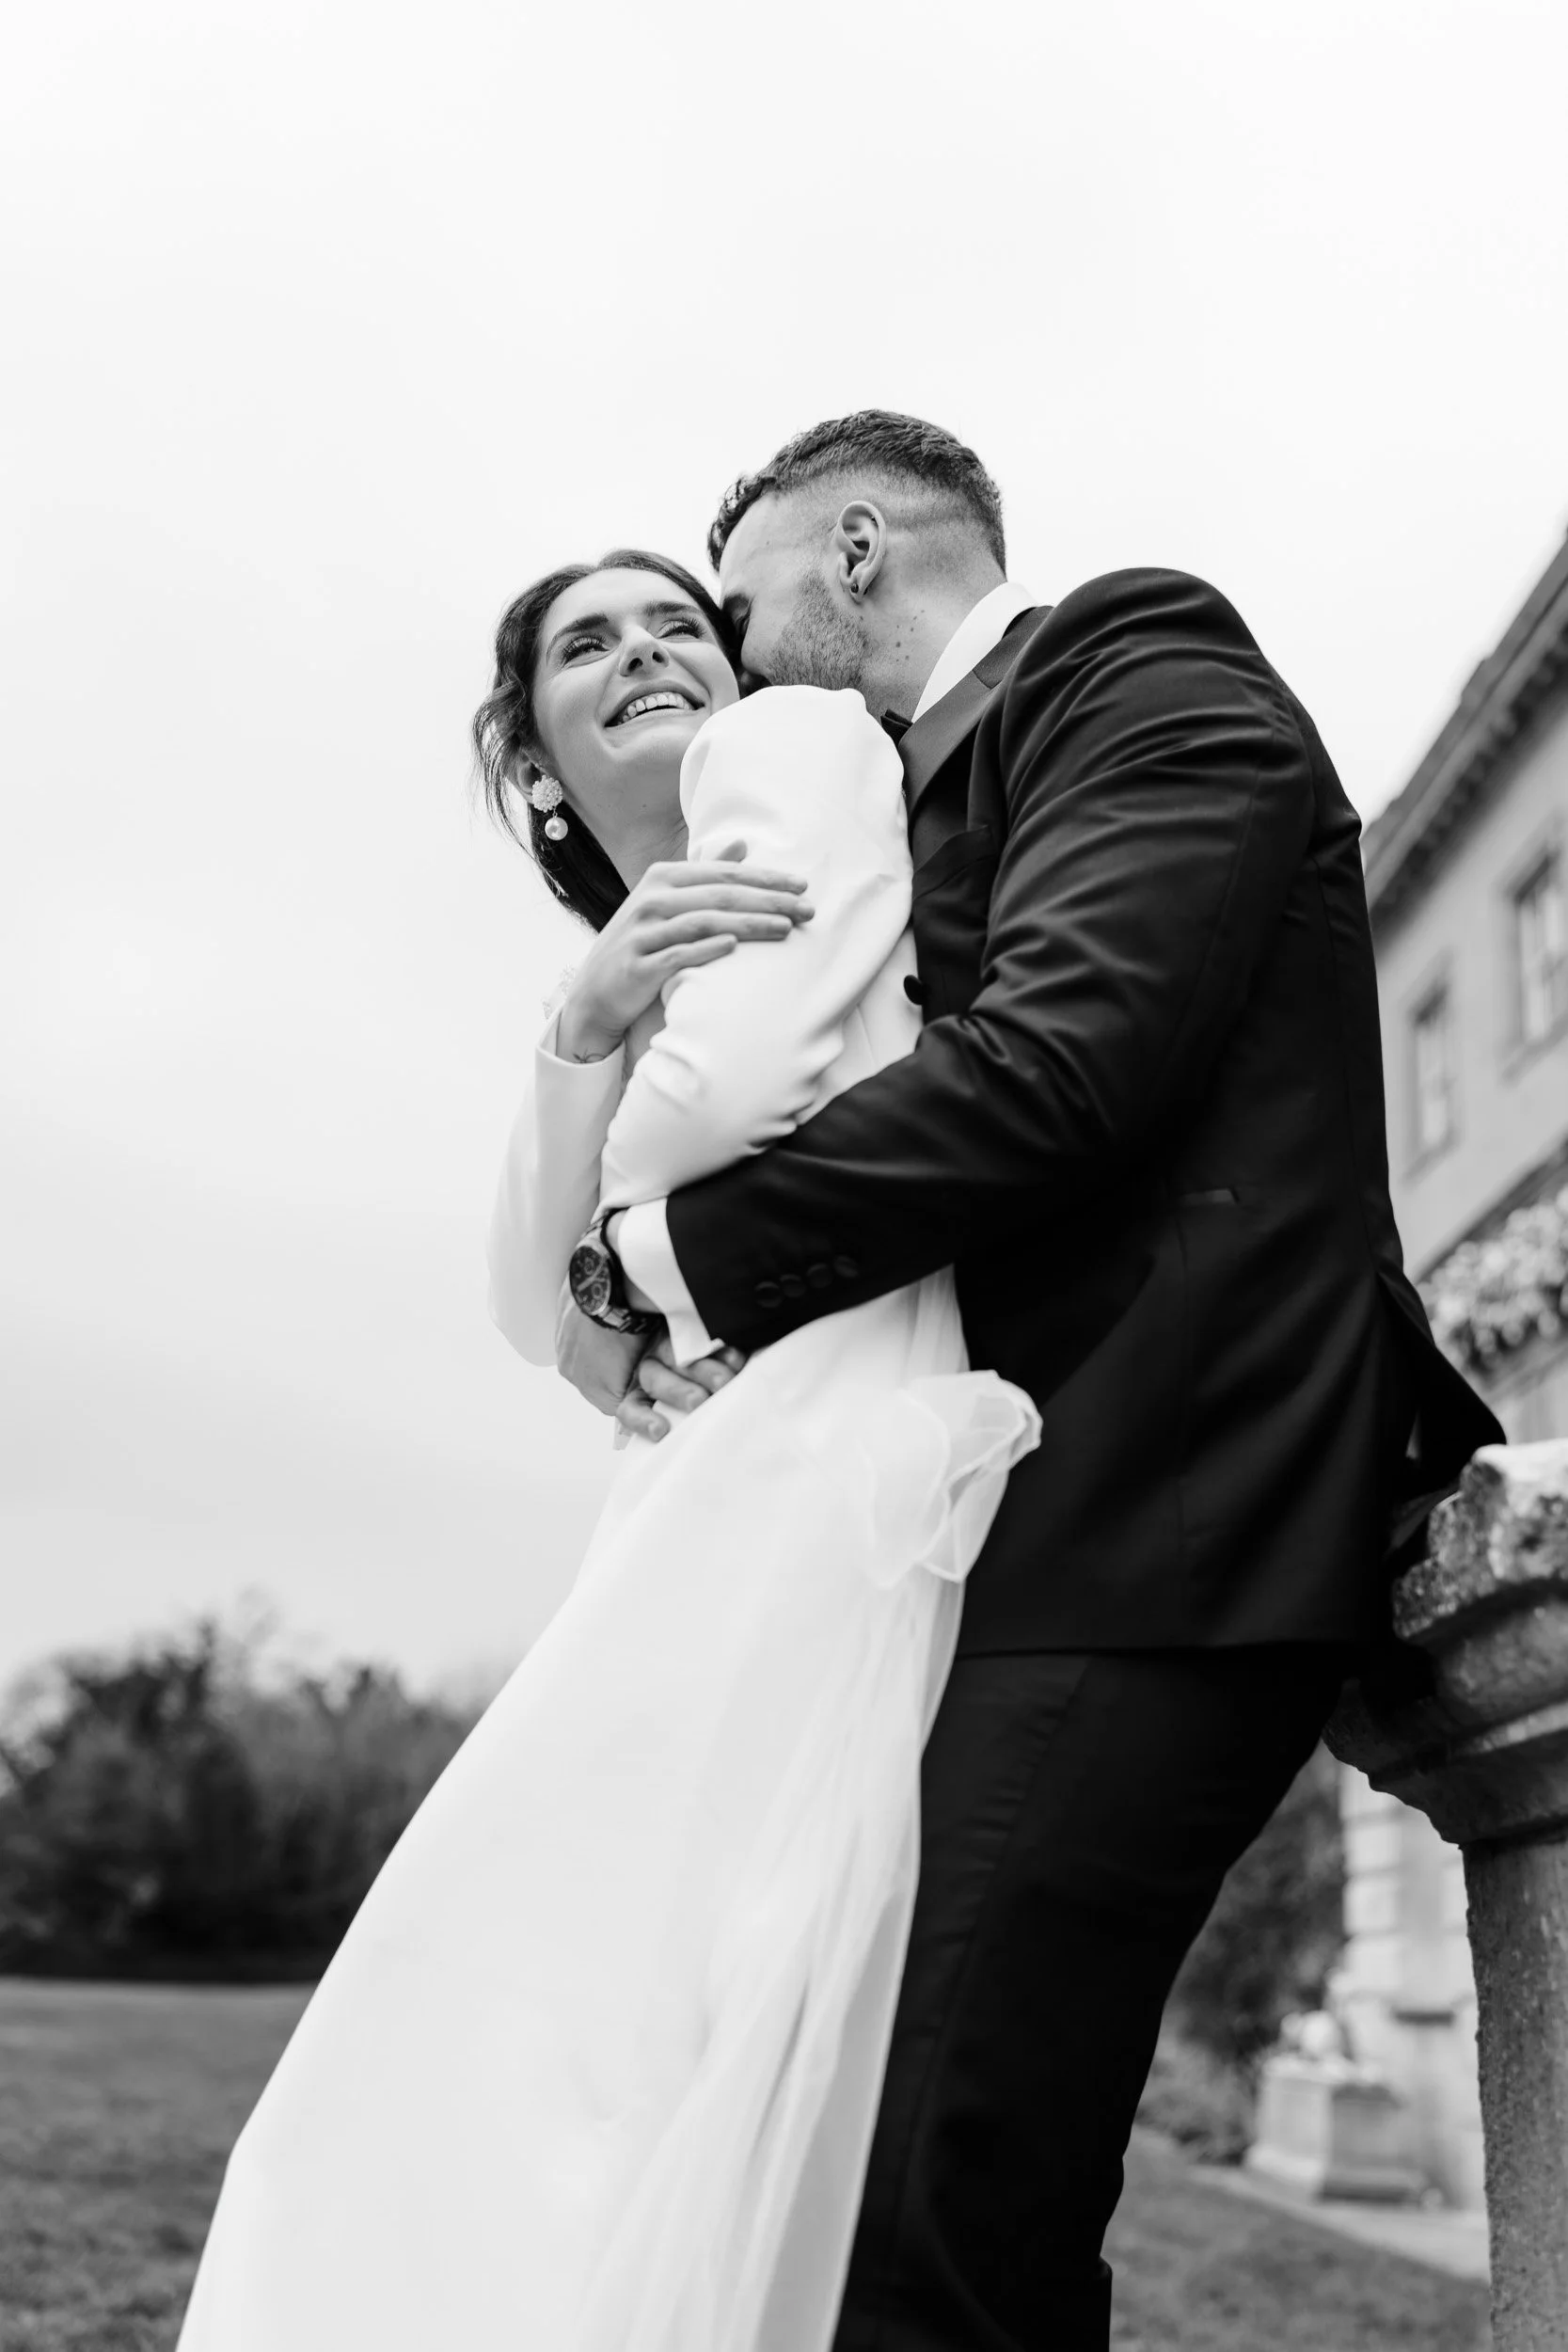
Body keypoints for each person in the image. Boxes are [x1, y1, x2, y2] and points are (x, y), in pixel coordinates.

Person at [554, 414, 1505, 2351]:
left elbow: (1067, 1065)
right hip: (1007, 1539)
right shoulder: (884, 809)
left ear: (847, 551)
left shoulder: (1133, 663)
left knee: (929, 2201)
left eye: (734, 617)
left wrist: (672, 1259)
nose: (729, 669)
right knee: (897, 2184)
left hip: (1171, 1514)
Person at [174, 547, 1038, 2352]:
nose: (648, 651)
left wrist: (612, 1255)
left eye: (676, 623)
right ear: (543, 763)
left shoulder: (795, 749)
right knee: (593, 1997)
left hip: (812, 1444)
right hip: (703, 1479)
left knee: (599, 1979)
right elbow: (530, 1310)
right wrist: (582, 1032)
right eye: (588, 646)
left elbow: (708, 1128)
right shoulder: (610, 977)